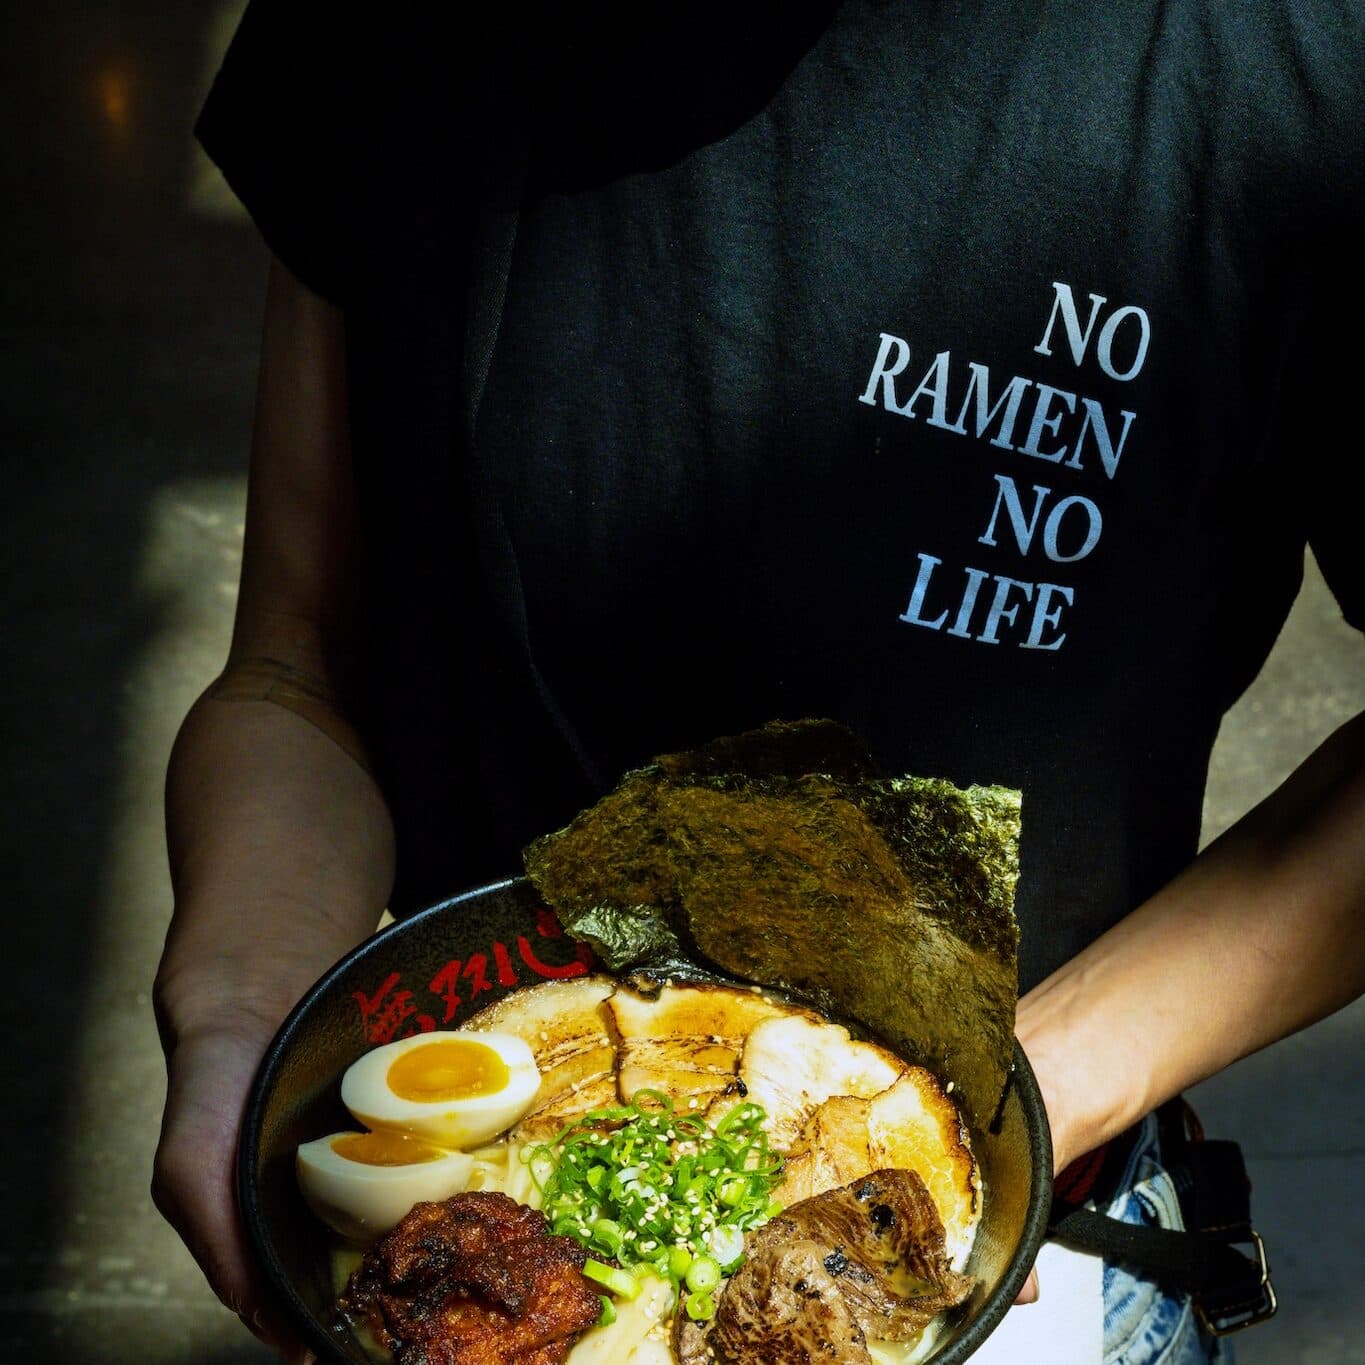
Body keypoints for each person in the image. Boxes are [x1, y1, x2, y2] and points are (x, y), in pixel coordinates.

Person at [153, 3, 1365, 1361]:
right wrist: (239, 1009)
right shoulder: (392, 38)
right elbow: (291, 669)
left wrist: (993, 1123)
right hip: (469, 1269)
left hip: (1013, 1280)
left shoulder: (1293, 55)